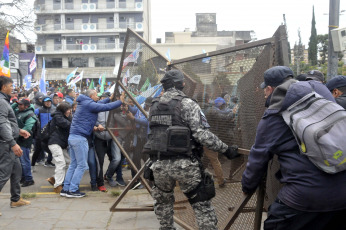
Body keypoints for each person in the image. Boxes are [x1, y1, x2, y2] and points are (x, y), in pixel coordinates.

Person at [241, 66, 346, 230]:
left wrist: (247, 186)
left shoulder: (274, 115)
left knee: (274, 225)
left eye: (265, 90)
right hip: (342, 190)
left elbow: (258, 158)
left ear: (269, 89)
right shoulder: (321, 96)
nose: (264, 94)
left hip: (305, 196)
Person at [144, 69, 239, 229]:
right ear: (181, 84)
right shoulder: (187, 103)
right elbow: (201, 134)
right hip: (185, 164)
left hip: (159, 164)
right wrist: (226, 149)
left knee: (163, 205)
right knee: (201, 206)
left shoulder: (154, 106)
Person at [60, 89, 124, 198]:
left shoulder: (85, 102)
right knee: (81, 165)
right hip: (80, 138)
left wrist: (109, 98)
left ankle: (65, 189)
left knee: (73, 165)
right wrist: (120, 102)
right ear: (91, 96)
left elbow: (99, 104)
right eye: (96, 94)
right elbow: (104, 107)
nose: (98, 96)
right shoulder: (88, 104)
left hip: (74, 137)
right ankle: (73, 190)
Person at [0, 76, 31, 215]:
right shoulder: (1, 102)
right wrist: (12, 143)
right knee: (3, 174)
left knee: (17, 171)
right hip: (6, 144)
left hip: (9, 142)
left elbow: (7, 122)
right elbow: (1, 124)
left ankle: (15, 199)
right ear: (4, 87)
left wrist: (19, 131)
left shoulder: (4, 101)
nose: (13, 88)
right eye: (11, 86)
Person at [126, 97, 152, 189]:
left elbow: (147, 122)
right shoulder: (141, 107)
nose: (147, 106)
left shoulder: (153, 111)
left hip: (147, 139)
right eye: (146, 105)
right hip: (139, 138)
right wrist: (127, 107)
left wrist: (134, 119)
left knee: (148, 161)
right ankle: (137, 179)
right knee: (136, 159)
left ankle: (149, 179)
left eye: (148, 105)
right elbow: (134, 109)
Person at [47, 102, 72, 193]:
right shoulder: (58, 117)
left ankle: (54, 179)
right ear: (63, 110)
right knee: (61, 163)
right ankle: (57, 186)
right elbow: (68, 125)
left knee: (69, 162)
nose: (70, 111)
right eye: (68, 110)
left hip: (61, 143)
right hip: (55, 143)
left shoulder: (64, 116)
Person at [12, 98, 37, 187]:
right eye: (18, 104)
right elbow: (10, 109)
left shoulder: (30, 115)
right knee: (19, 160)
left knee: (24, 160)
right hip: (17, 139)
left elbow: (27, 128)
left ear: (26, 106)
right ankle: (23, 177)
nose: (19, 106)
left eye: (21, 104)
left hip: (24, 140)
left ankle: (29, 179)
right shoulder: (18, 111)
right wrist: (16, 102)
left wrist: (17, 134)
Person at [33, 96, 56, 167]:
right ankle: (32, 165)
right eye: (46, 102)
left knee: (52, 149)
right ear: (43, 102)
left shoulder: (54, 109)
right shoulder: (39, 110)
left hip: (51, 133)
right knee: (37, 150)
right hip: (41, 133)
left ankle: (48, 161)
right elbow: (32, 117)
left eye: (49, 101)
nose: (48, 103)